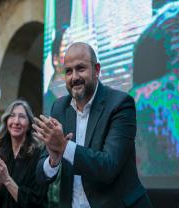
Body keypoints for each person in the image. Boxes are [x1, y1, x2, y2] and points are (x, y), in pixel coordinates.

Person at [33, 42, 152, 207]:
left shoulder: (120, 104)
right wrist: (53, 159)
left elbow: (108, 166)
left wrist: (64, 147)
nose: (74, 77)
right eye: (68, 71)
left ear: (96, 70)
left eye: (80, 68)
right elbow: (41, 176)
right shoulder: (59, 108)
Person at [0, 100, 48, 208]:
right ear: (6, 121)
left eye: (22, 117)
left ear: (29, 125)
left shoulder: (38, 156)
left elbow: (36, 202)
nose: (16, 121)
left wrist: (7, 180)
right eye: (12, 116)